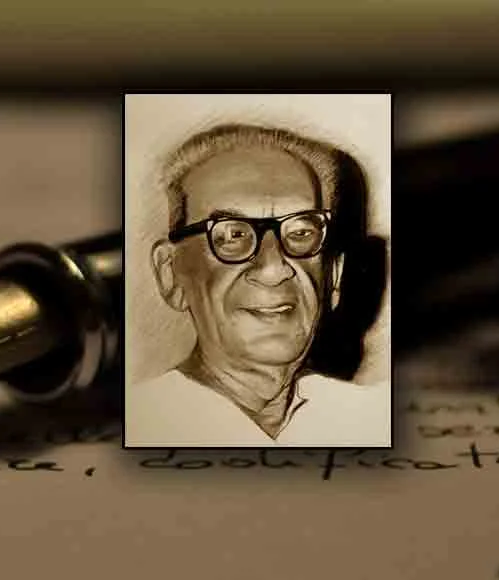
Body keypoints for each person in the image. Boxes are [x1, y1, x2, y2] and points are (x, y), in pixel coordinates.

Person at [126, 123, 390, 447]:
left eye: (301, 232)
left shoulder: (369, 417)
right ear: (171, 273)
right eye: (233, 234)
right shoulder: (140, 422)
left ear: (333, 276)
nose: (273, 268)